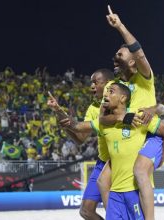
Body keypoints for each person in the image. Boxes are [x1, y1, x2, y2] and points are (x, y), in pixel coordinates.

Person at [97, 6, 164, 220]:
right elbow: (103, 118)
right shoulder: (115, 86)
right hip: (127, 136)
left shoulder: (144, 78)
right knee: (103, 181)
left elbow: (138, 52)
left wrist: (119, 26)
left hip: (148, 136)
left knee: (140, 172)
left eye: (120, 54)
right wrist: (124, 117)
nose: (115, 56)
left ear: (132, 62)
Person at [62, 82, 164, 219]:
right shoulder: (103, 123)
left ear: (122, 98)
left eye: (111, 91)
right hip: (114, 195)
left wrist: (161, 158)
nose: (106, 94)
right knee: (101, 182)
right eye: (106, 91)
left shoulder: (139, 116)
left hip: (134, 193)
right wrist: (58, 112)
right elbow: (77, 126)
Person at [47, 68, 114, 220]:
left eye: (96, 82)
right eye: (91, 82)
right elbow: (80, 138)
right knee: (86, 211)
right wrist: (58, 112)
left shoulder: (123, 103)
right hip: (102, 163)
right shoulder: (93, 108)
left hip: (121, 163)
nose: (91, 86)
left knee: (117, 211)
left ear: (109, 83)